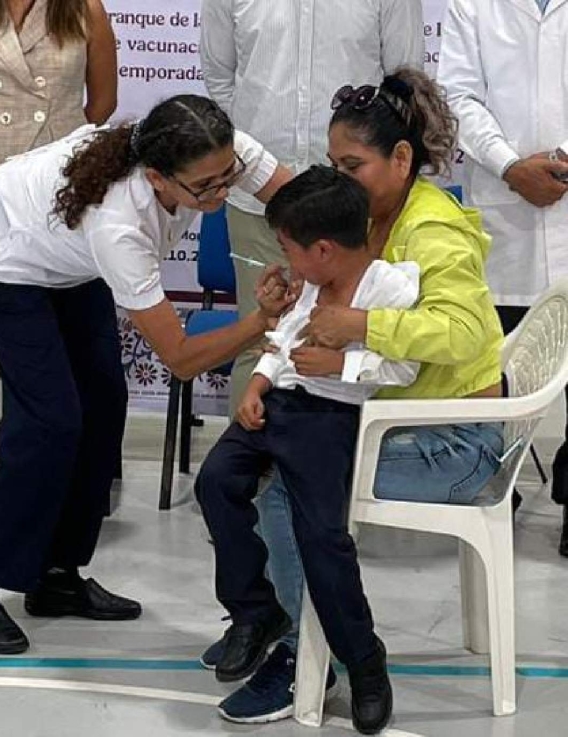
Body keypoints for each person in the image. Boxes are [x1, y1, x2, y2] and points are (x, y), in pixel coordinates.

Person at [204, 67, 506, 728]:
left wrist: (358, 328)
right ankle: (267, 616)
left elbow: (461, 333)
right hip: (369, 416)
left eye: (353, 164)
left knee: (284, 489)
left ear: (402, 159)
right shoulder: (358, 217)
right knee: (234, 472)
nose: (340, 178)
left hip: (452, 439)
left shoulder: (432, 232)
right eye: (333, 163)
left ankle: (305, 657)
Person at [0, 94, 293, 655]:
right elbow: (179, 358)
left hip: (66, 262)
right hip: (1, 259)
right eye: (205, 188)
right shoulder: (119, 224)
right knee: (49, 424)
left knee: (104, 405)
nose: (224, 192)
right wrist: (261, 320)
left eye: (228, 176)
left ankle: (58, 577)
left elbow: (291, 194)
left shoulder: (211, 149)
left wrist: (318, 252)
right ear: (158, 177)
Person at [199, 5, 424, 715]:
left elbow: (401, 82)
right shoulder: (295, 260)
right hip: (259, 202)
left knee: (317, 525)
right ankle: (262, 613)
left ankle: (352, 657)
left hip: (332, 403)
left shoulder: (389, 269)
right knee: (226, 480)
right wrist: (264, 378)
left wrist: (346, 369)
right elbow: (220, 85)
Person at [0, 0, 118, 524]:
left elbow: (101, 103)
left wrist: (53, 150)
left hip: (55, 196)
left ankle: (52, 492)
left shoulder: (85, 10)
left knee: (55, 348)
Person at [436, 0, 568, 555]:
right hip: (503, 204)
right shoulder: (471, 4)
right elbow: (458, 97)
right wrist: (510, 165)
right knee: (496, 366)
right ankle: (493, 489)